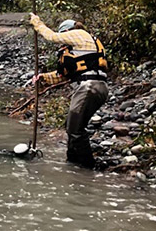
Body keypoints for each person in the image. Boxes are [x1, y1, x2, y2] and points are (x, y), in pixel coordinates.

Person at [29, 13, 109, 169]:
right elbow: (63, 76)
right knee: (73, 125)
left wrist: (36, 23)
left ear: (66, 31)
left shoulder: (79, 34)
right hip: (98, 87)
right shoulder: (81, 48)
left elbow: (51, 36)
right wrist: (42, 78)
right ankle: (72, 163)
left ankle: (88, 167)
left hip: (89, 87)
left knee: (74, 129)